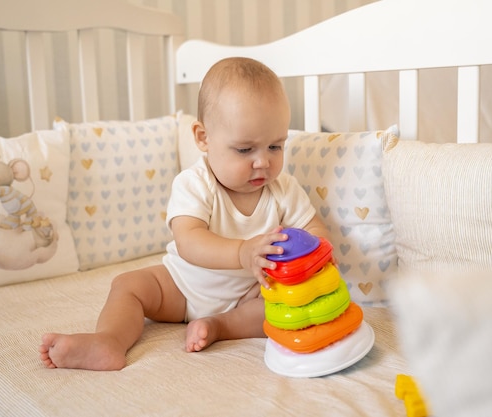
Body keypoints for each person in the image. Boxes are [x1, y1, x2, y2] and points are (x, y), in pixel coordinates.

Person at [39, 57, 330, 371]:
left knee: (280, 309)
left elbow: (314, 227)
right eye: (245, 150)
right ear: (203, 138)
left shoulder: (283, 189)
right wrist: (243, 252)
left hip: (247, 294)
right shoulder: (194, 183)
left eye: (275, 146)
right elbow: (189, 241)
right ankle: (108, 341)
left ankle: (219, 326)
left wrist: (319, 254)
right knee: (128, 285)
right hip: (181, 286)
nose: (263, 162)